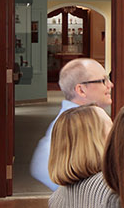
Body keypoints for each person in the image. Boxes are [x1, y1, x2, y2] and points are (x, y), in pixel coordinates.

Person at [30, 57, 112, 190]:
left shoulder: (96, 118)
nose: (110, 85)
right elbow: (42, 168)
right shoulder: (66, 128)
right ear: (81, 90)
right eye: (103, 81)